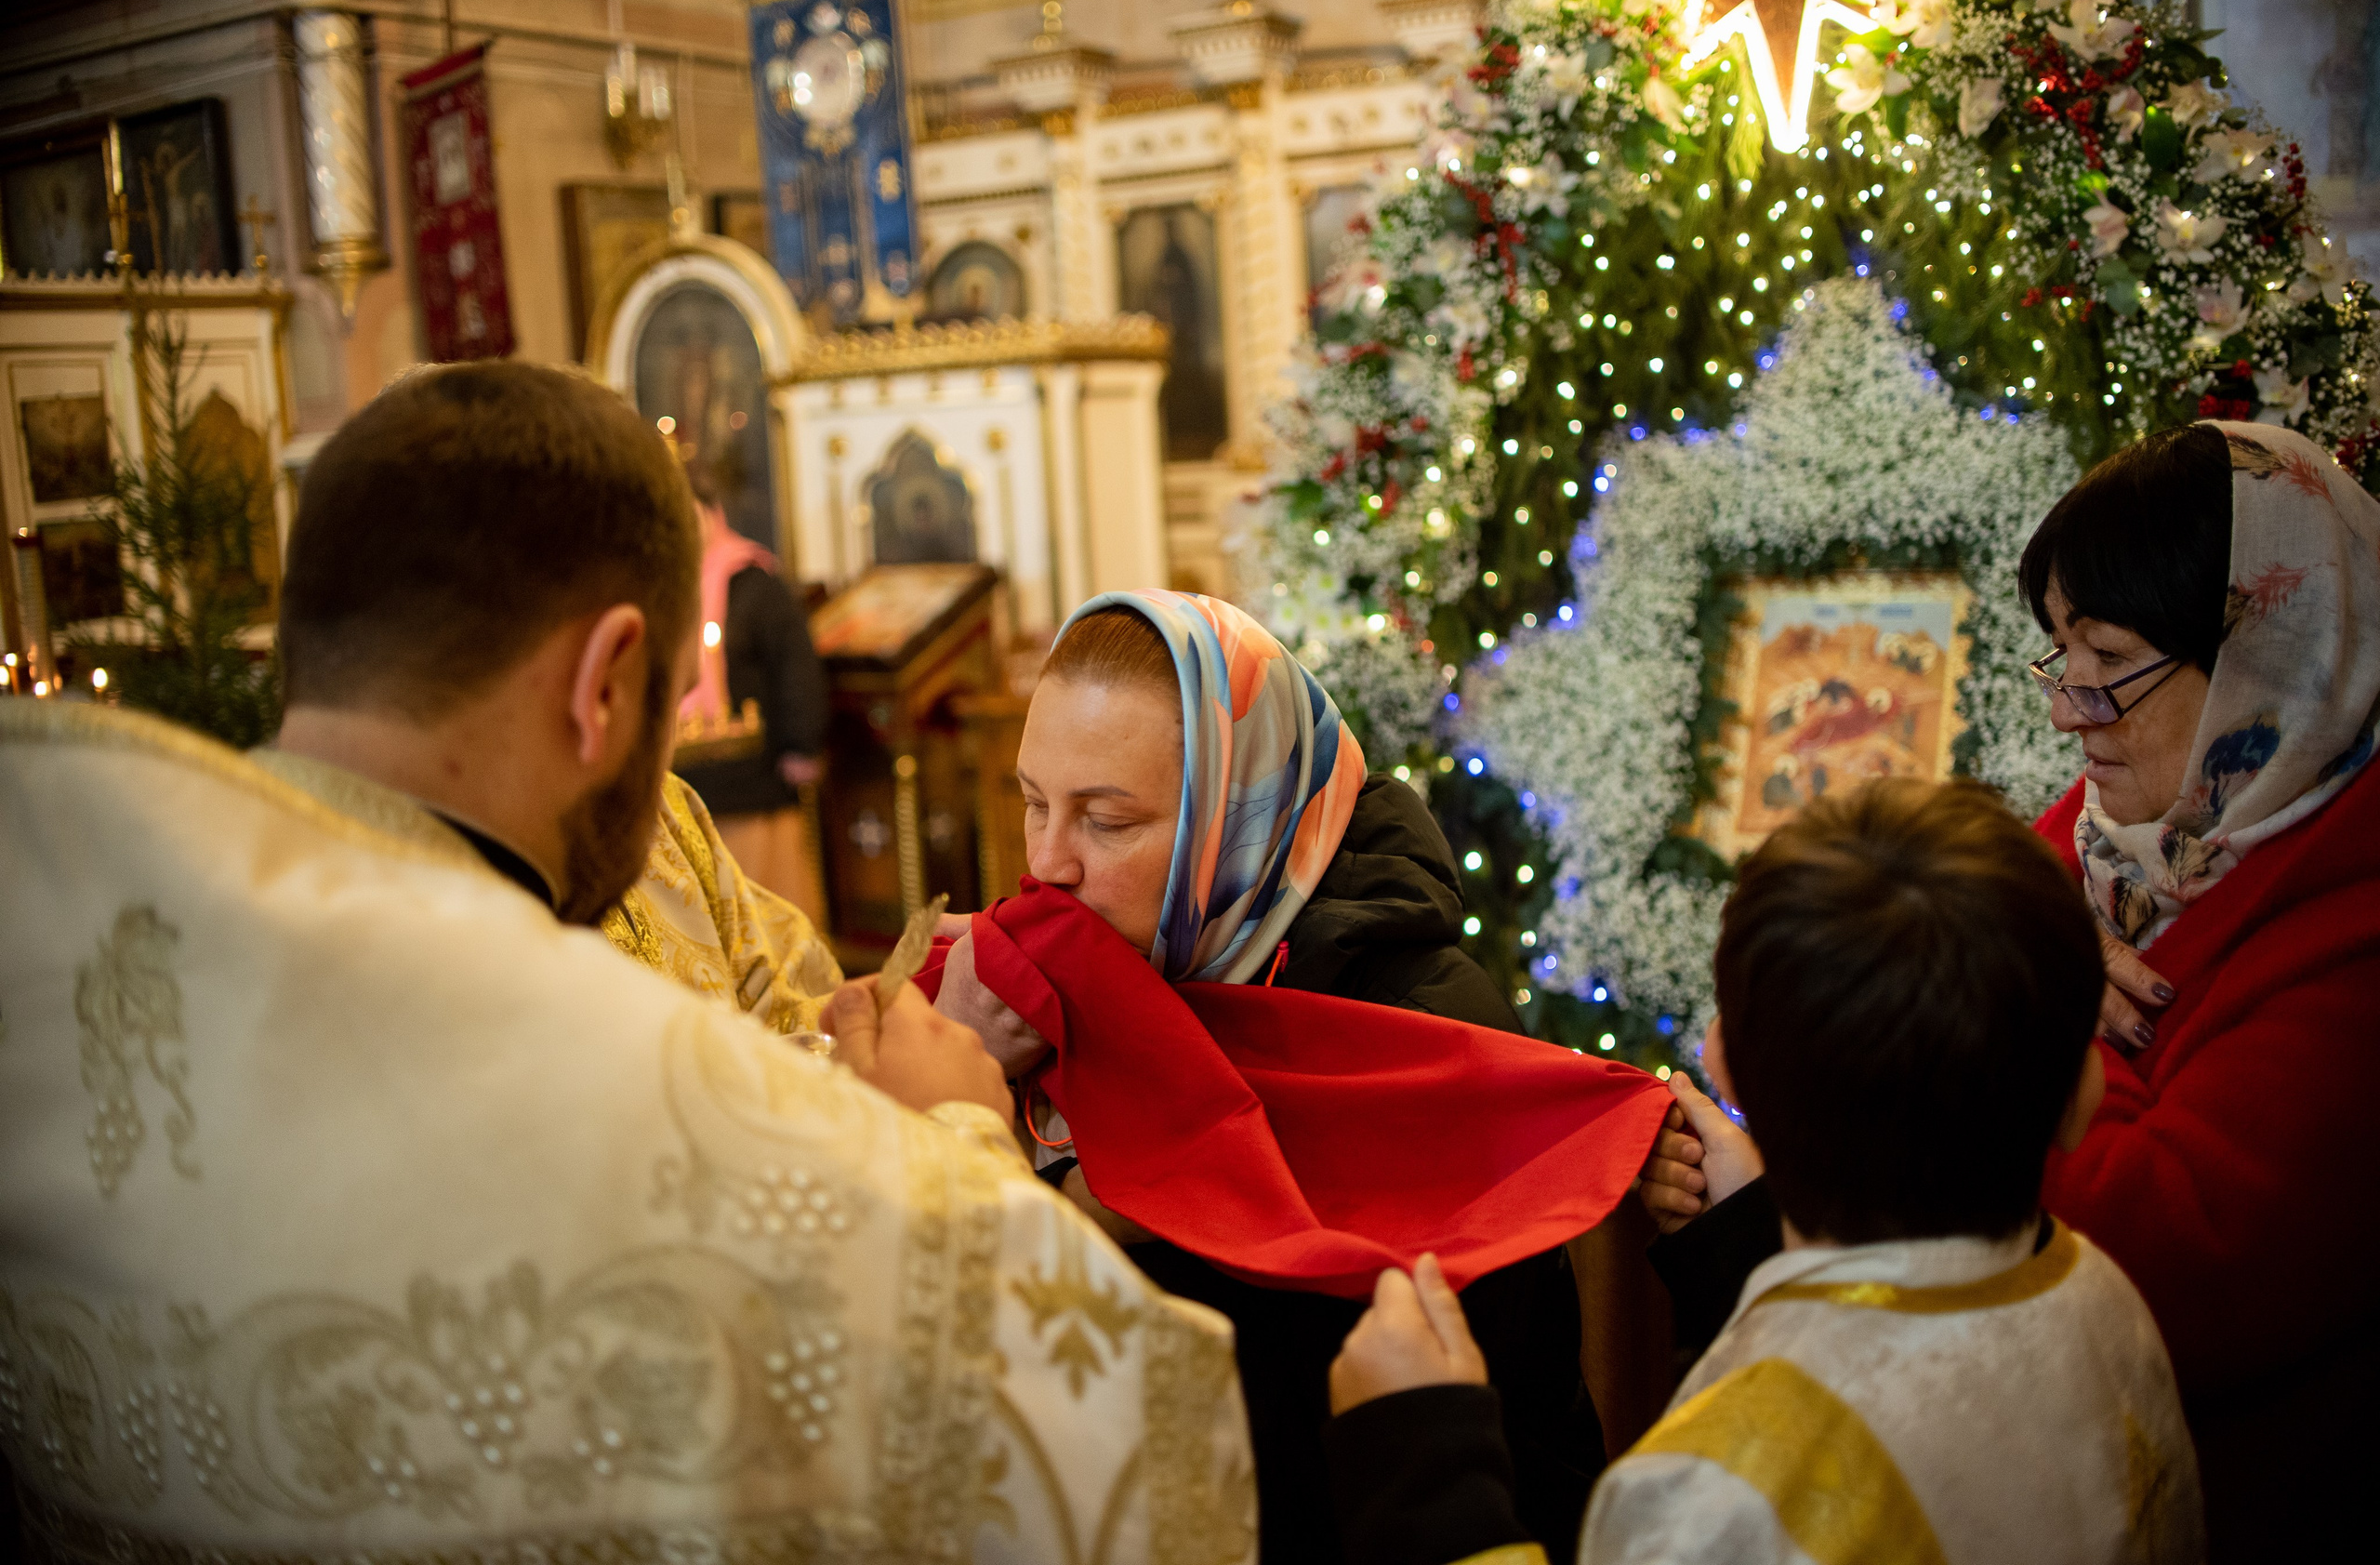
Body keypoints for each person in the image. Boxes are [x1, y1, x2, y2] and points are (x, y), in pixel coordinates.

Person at [0, 363, 1254, 1564]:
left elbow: (808, 1003)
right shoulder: (570, 1052)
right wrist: (957, 1140)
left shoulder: (51, 921)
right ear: (607, 684)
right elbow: (1123, 1447)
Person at [1636, 420, 2380, 1558]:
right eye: (2058, 654)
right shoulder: (2103, 846)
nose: (2064, 709)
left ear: (2271, 656)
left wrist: (2024, 1002)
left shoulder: (2348, 923)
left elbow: (2164, 1270)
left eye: (2109, 664)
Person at [1326, 778, 2204, 1565]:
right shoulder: (2105, 1302)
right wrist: (1751, 1240)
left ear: (1723, 1065)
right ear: (2079, 1092)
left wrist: (1428, 1475)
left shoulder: (1708, 1493)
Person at [931, 590, 1614, 1562]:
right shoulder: (1079, 986)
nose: (1046, 865)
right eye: (1034, 802)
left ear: (1239, 814)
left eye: (1106, 819)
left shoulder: (1409, 1035)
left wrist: (974, 1117)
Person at [674, 462, 830, 929]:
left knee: (769, 912)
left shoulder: (754, 583)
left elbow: (794, 664)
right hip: (690, 781)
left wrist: (803, 744)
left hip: (755, 778)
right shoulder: (668, 586)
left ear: (711, 513)